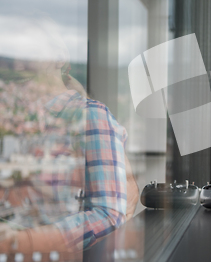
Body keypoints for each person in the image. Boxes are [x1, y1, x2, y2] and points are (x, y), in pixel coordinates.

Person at [0, 17, 139, 256]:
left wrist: (27, 242)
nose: (18, 65)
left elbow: (108, 214)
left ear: (59, 59)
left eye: (28, 53)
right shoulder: (20, 122)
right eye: (12, 56)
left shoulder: (91, 116)